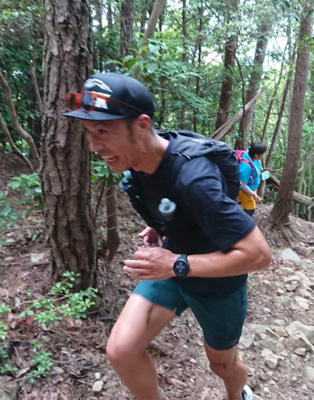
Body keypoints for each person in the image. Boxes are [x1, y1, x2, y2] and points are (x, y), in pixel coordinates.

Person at [64, 72, 271, 400]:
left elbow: (259, 255)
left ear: (142, 125)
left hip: (218, 283)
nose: (94, 145)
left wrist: (177, 264)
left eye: (103, 131)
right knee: (121, 349)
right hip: (174, 265)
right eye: (90, 133)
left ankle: (238, 395)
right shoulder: (136, 164)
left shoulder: (194, 178)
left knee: (222, 365)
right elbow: (172, 202)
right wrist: (162, 226)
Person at [238, 142, 267, 217]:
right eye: (262, 153)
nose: (263, 155)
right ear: (256, 155)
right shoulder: (246, 167)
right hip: (245, 192)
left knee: (250, 207)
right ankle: (240, 224)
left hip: (252, 187)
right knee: (250, 210)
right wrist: (253, 194)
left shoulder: (249, 154)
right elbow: (242, 185)